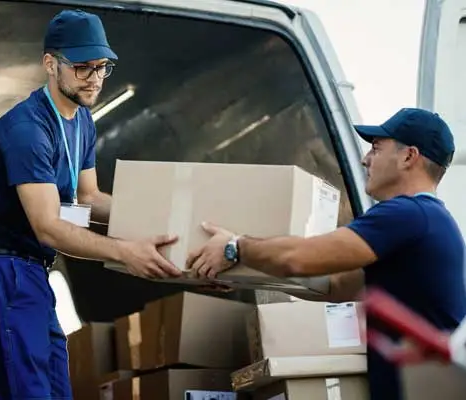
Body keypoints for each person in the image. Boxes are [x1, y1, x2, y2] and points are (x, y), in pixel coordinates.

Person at [0, 9, 181, 400]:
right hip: (3, 269)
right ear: (51, 64)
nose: (95, 78)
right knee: (28, 392)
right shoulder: (27, 130)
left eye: (102, 67)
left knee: (57, 389)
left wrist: (159, 220)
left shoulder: (82, 121)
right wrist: (125, 252)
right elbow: (49, 225)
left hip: (34, 270)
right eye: (83, 67)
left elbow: (89, 198)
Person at [186, 108, 466, 400]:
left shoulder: (408, 214)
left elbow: (297, 259)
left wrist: (235, 247)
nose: (365, 159)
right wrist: (242, 274)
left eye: (375, 148)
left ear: (408, 156)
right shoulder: (428, 220)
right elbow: (334, 286)